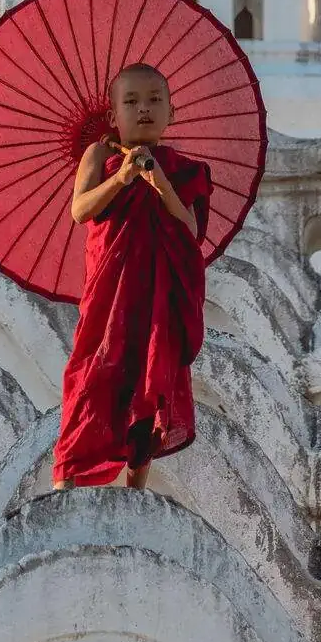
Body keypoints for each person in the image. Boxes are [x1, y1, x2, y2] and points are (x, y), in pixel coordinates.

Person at [55, 60, 213, 487]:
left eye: (154, 100)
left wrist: (159, 181)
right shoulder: (100, 154)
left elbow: (190, 231)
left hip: (156, 292)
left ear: (171, 112)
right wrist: (123, 178)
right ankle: (66, 476)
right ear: (113, 116)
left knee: (151, 372)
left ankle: (136, 484)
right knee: (94, 369)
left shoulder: (183, 169)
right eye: (131, 101)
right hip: (109, 288)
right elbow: (80, 210)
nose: (144, 108)